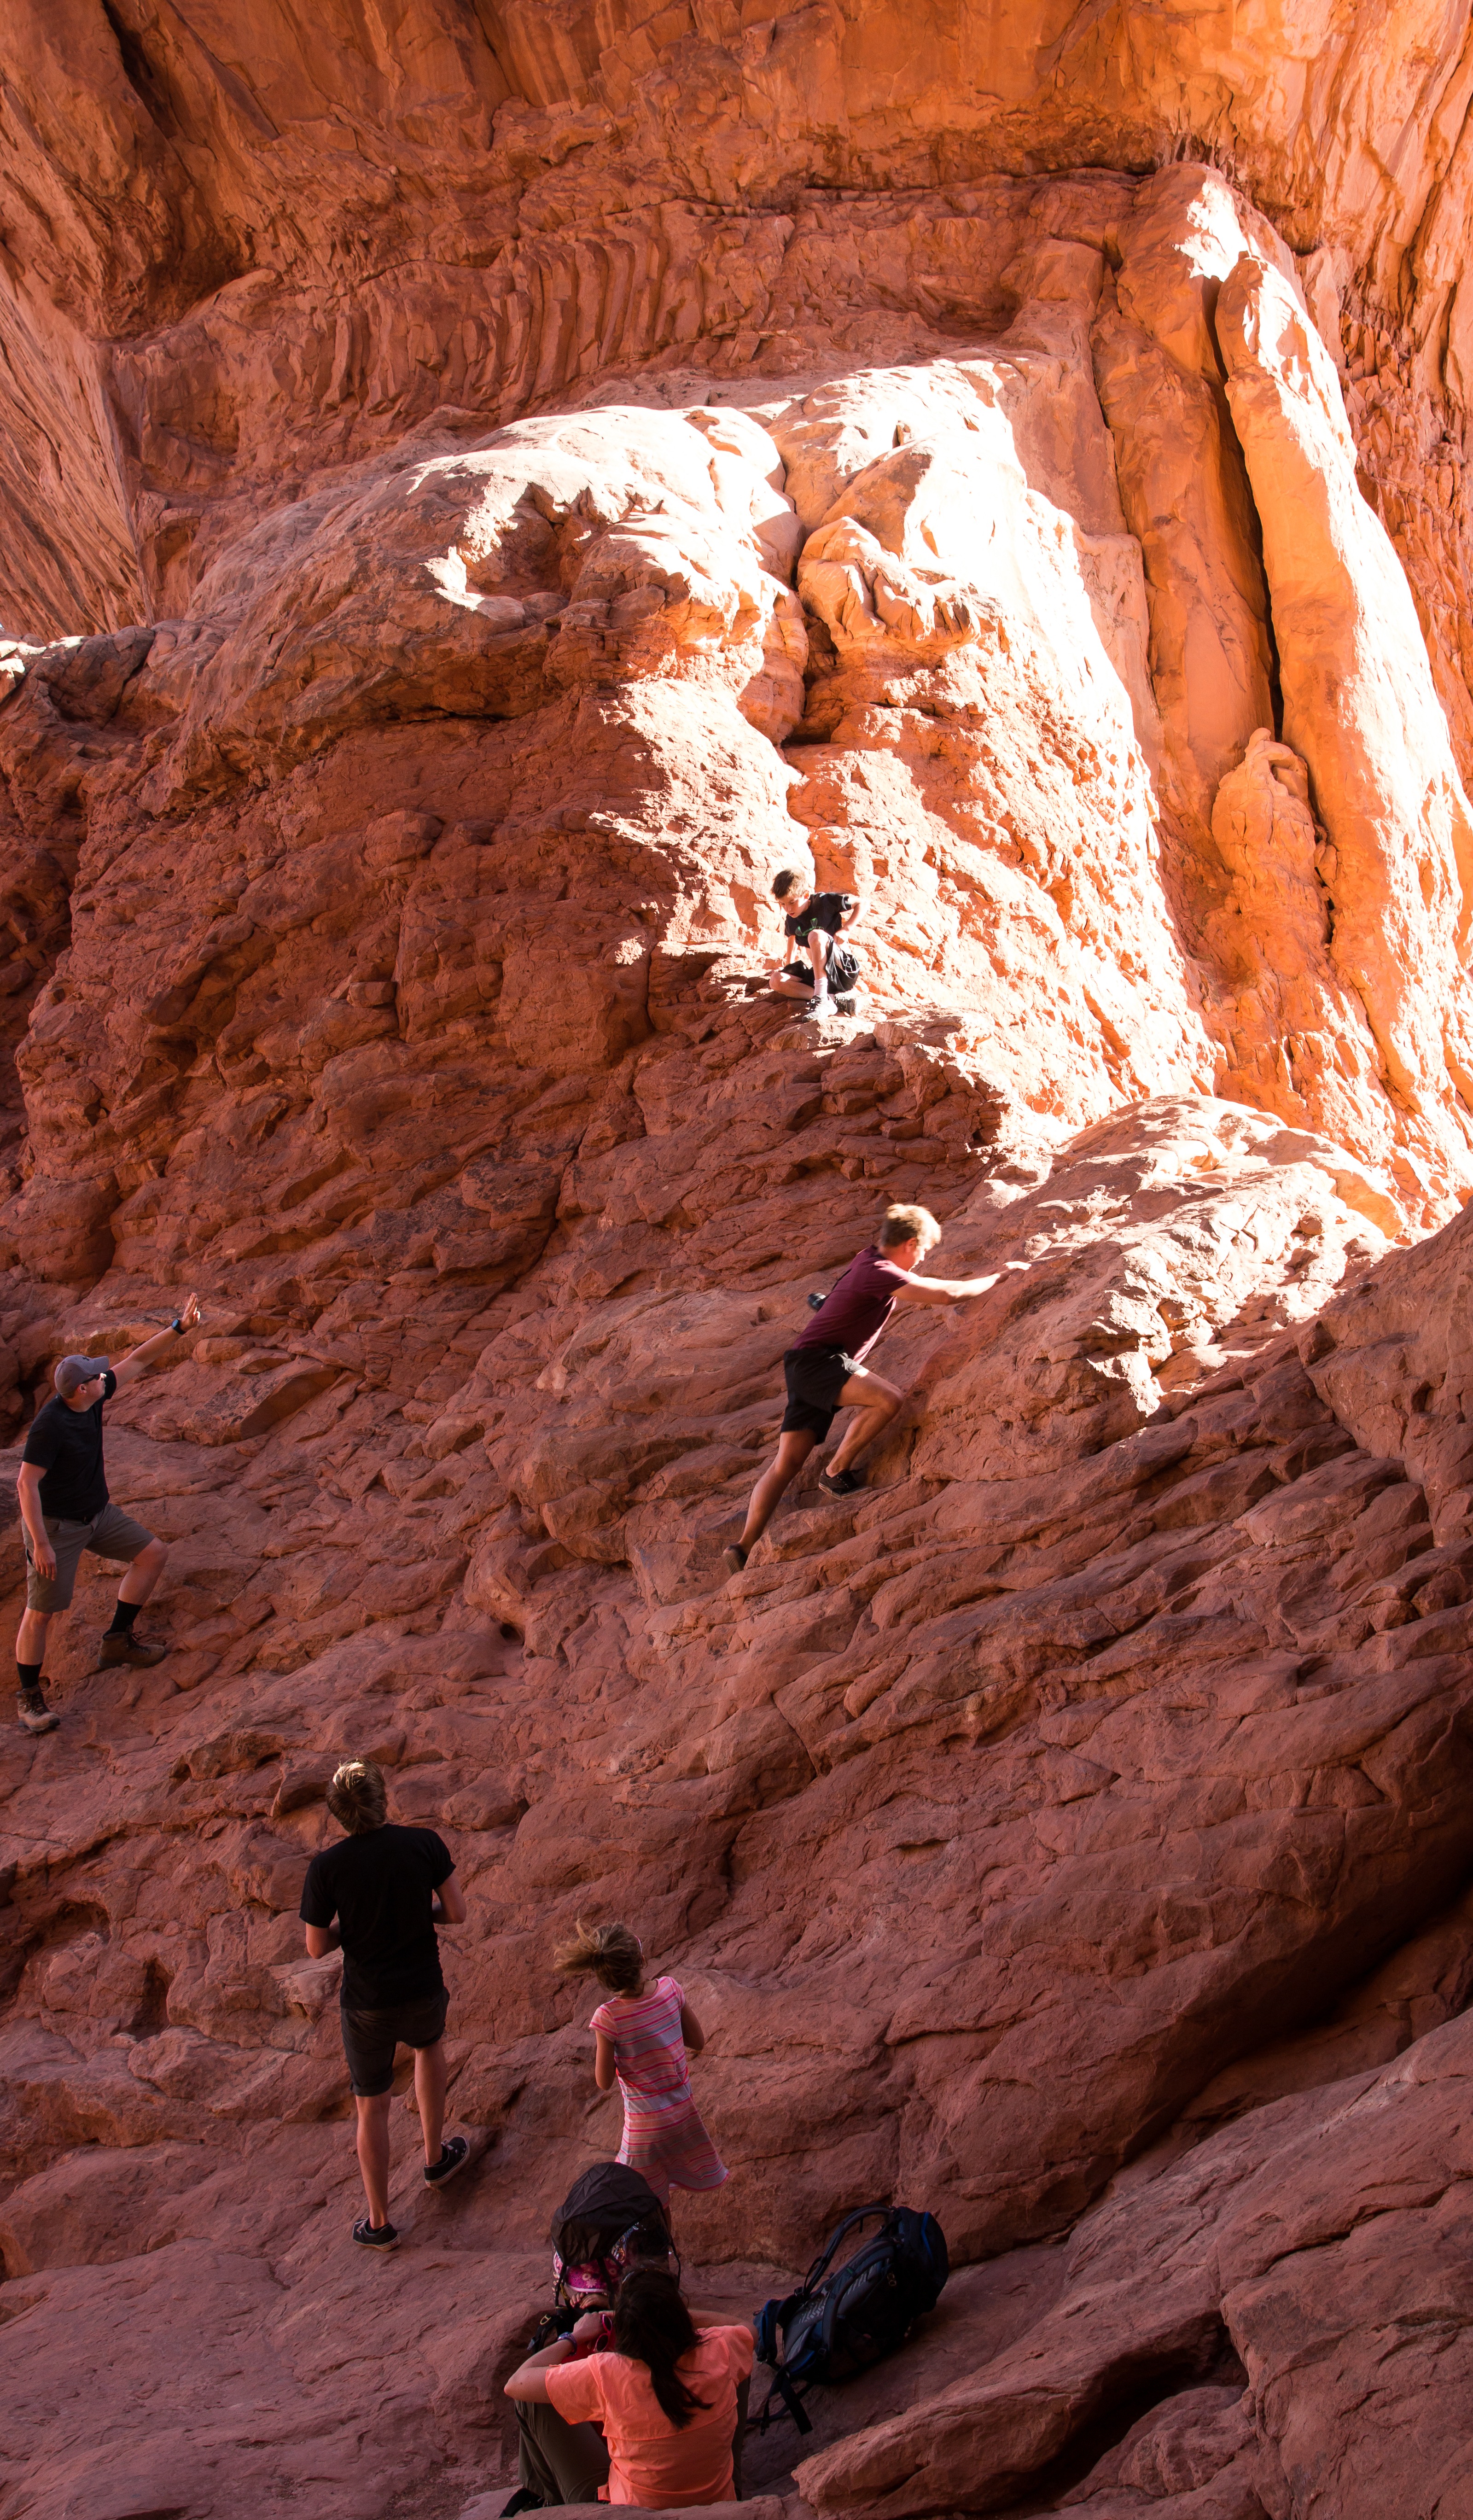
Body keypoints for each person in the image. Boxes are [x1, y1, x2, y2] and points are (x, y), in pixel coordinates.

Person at [723, 1202, 1031, 1575]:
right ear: (911, 1243)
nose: (921, 1260)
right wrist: (998, 1277)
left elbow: (846, 1292)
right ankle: (836, 1473)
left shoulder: (865, 1259)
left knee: (786, 1464)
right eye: (924, 1252)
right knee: (889, 1399)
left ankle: (742, 1548)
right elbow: (947, 1294)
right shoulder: (880, 1271)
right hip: (821, 1362)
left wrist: (827, 1305)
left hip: (802, 1364)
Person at [300, 1756, 470, 2250]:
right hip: (420, 1983)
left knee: (371, 2106)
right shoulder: (423, 1844)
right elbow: (456, 1913)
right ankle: (436, 2158)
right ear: (381, 1799)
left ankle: (379, 2222)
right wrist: (417, 1914)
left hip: (367, 2001)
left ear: (339, 1813)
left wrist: (353, 1928)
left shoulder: (327, 1868)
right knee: (428, 2048)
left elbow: (316, 1946)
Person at [13, 1296, 204, 1736]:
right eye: (97, 1376)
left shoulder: (92, 1397)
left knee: (153, 1554)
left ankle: (117, 1641)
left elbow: (138, 1359)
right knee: (41, 1612)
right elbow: (25, 1484)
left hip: (97, 1514)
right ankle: (30, 1698)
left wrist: (180, 1327)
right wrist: (40, 1543)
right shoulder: (50, 1426)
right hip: (57, 1527)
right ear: (81, 1389)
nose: (105, 1376)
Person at [503, 2268, 754, 2511]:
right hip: (718, 2506)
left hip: (626, 2512)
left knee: (533, 2398)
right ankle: (733, 2479)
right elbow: (745, 2326)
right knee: (739, 2362)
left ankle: (558, 2508)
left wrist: (574, 2337)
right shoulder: (721, 2349)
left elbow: (517, 2383)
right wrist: (666, 2315)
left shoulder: (607, 2372)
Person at [554, 1920, 726, 2213]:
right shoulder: (671, 1989)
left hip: (645, 2129)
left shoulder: (608, 2017)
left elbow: (603, 2081)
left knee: (647, 2203)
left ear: (604, 1979)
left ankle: (661, 2254)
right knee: (658, 2199)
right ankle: (667, 2251)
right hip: (682, 2115)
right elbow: (698, 2041)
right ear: (642, 1960)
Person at [768, 867, 862, 1019]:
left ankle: (820, 998)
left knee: (816, 935)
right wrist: (788, 967)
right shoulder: (791, 919)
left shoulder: (825, 902)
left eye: (792, 902)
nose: (788, 909)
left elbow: (862, 903)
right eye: (783, 904)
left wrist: (847, 929)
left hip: (843, 970)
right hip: (822, 975)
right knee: (776, 981)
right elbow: (792, 937)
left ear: (805, 895)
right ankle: (830, 999)